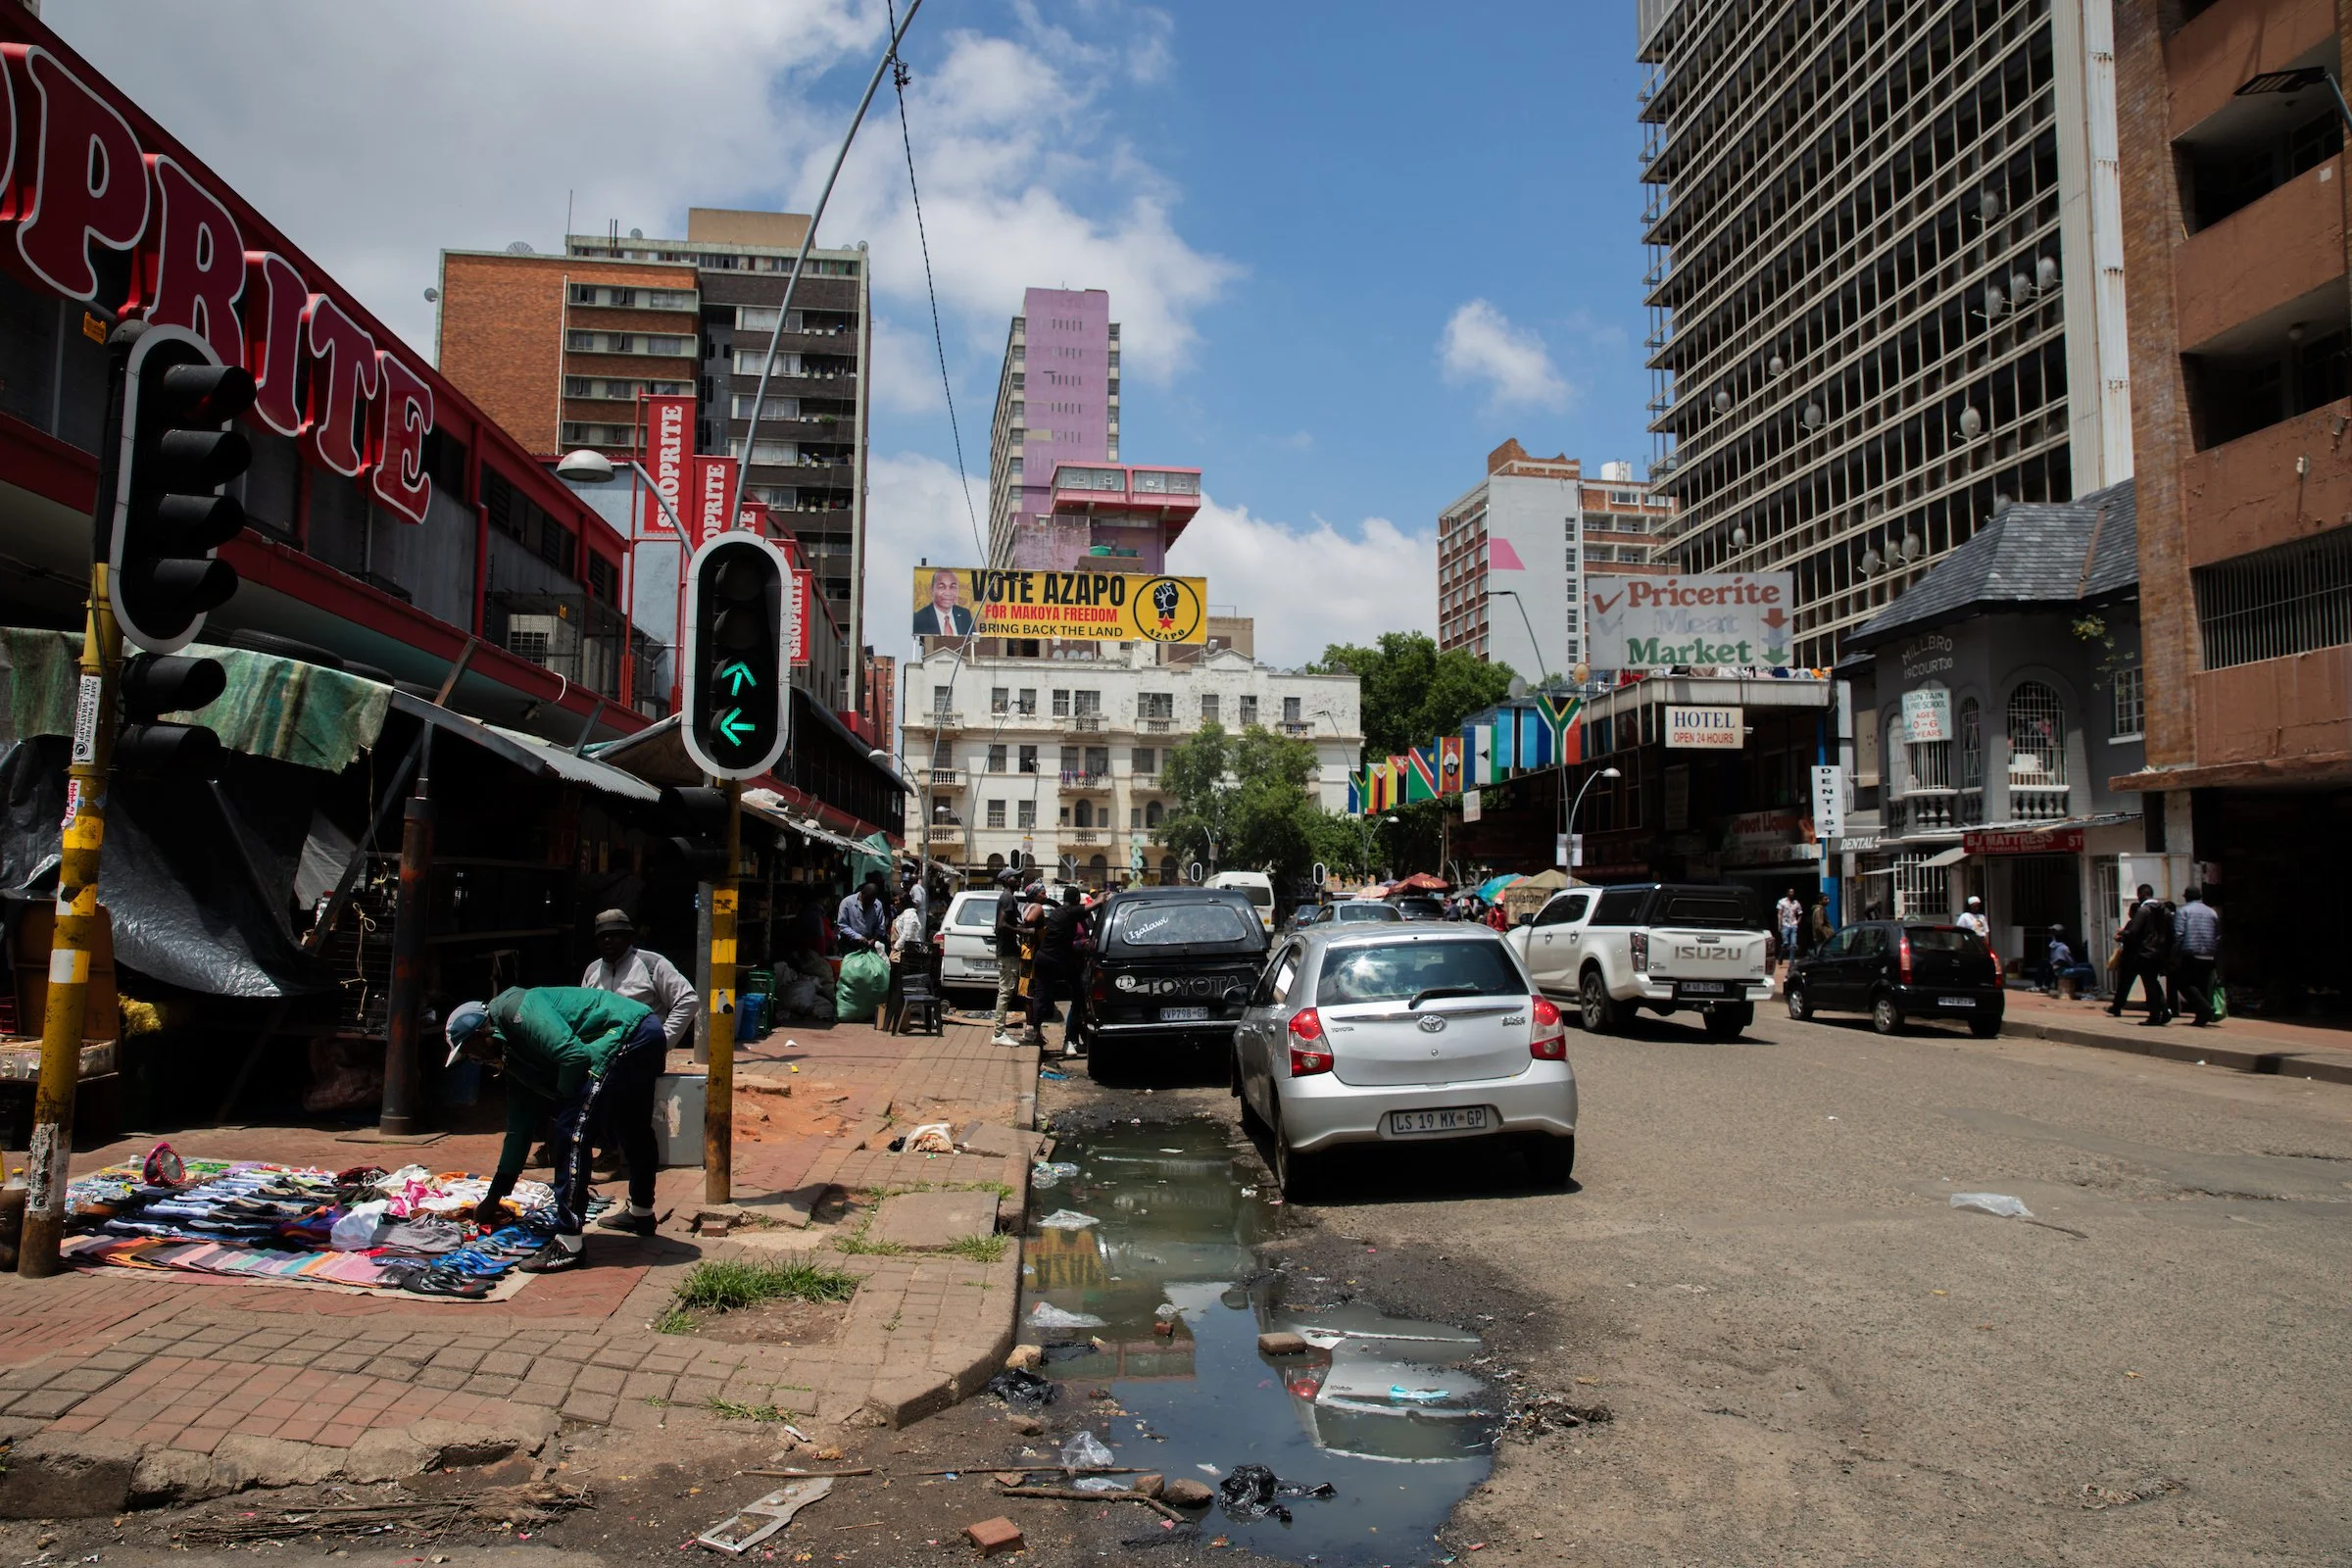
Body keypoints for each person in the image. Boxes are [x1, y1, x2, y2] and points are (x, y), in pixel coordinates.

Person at [443, 986, 665, 1269]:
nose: (475, 1061)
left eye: (471, 1053)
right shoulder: (514, 1055)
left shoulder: (516, 1010)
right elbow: (518, 1129)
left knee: (571, 1133)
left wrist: (565, 1102)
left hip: (626, 1033)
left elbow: (573, 1056)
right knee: (631, 1126)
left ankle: (569, 1242)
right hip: (644, 1031)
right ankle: (641, 1213)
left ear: (481, 1036)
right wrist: (496, 1194)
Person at [580, 909, 700, 1050]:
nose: (608, 941)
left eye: (615, 935)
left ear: (629, 937)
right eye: (602, 936)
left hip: (641, 1053)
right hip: (600, 1054)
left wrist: (663, 1041)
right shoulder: (592, 970)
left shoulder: (653, 964)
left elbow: (688, 1000)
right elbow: (582, 1014)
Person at [1027, 885, 1088, 1053]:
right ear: (1077, 901)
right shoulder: (1069, 914)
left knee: (1073, 998)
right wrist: (1083, 944)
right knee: (1058, 995)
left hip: (1058, 960)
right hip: (1060, 960)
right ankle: (1064, 1038)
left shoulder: (1063, 913)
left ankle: (1040, 1033)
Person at [2108, 884, 2170, 1022]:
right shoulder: (2165, 911)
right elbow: (2171, 934)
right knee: (2153, 984)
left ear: (2140, 895)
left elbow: (2133, 933)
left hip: (2144, 954)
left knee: (2149, 986)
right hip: (2159, 953)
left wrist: (2121, 933)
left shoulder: (2143, 911)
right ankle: (2164, 1011)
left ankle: (2155, 1015)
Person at [2171, 886, 2221, 1026]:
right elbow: (2217, 935)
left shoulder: (2184, 911)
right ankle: (2201, 1017)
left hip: (2191, 954)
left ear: (2186, 897)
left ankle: (2204, 1009)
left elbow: (2179, 934)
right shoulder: (2212, 912)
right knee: (2202, 985)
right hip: (2209, 955)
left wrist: (2174, 954)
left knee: (2183, 983)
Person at [989, 868, 1025, 1047]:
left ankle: (999, 1031)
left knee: (1008, 990)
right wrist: (1023, 930)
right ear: (1006, 880)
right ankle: (998, 1033)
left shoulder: (1010, 898)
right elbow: (1001, 925)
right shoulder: (1007, 898)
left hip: (1010, 950)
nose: (1019, 879)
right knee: (1005, 991)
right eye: (1015, 877)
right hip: (1007, 951)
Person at [884, 890, 924, 1031]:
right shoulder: (903, 914)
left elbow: (907, 935)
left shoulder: (909, 915)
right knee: (893, 990)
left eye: (897, 901)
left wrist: (896, 947)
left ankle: (898, 1023)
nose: (895, 904)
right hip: (898, 955)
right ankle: (891, 1021)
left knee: (898, 990)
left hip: (903, 956)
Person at [911, 568, 977, 637]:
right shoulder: (920, 617)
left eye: (952, 587)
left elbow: (974, 643)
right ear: (931, 590)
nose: (948, 593)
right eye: (941, 587)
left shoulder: (964, 614)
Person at [835, 875, 889, 955]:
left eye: (872, 902)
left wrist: (874, 939)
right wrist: (857, 937)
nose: (869, 905)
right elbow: (842, 925)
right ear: (862, 894)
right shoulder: (847, 903)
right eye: (867, 901)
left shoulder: (877, 904)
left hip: (869, 945)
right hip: (849, 944)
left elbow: (880, 927)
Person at [2043, 925, 2095, 995]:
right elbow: (2070, 962)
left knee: (2088, 965)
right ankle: (2087, 991)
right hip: (2063, 970)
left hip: (2061, 967)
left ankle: (2093, 986)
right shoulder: (2062, 947)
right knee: (2088, 971)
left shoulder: (2053, 944)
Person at [1775, 888, 1804, 973]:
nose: (1792, 894)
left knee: (1793, 944)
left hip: (1793, 925)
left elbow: (1800, 913)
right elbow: (1779, 914)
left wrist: (1797, 923)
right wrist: (1779, 925)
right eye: (1790, 892)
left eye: (1793, 892)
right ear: (1787, 893)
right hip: (1785, 925)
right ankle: (1781, 957)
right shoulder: (1782, 902)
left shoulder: (1796, 903)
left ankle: (1791, 963)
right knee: (1785, 943)